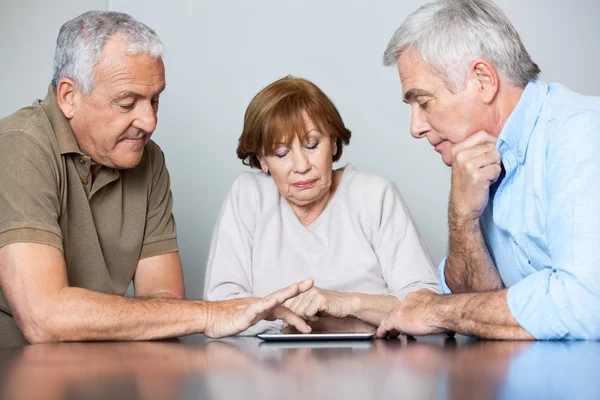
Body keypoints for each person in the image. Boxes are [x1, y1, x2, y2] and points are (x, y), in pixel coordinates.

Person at [0, 11, 314, 347]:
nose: (149, 122)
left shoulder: (147, 158)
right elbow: (44, 318)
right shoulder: (18, 145)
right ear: (68, 97)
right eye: (127, 103)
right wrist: (210, 314)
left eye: (154, 99)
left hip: (103, 368)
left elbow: (166, 305)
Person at [377, 0, 600, 340]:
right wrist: (462, 217)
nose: (415, 127)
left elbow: (586, 304)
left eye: (423, 103)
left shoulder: (582, 133)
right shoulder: (477, 161)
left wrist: (437, 310)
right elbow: (478, 308)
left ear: (483, 80)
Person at [204, 76, 438, 335]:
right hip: (271, 369)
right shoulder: (248, 196)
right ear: (262, 161)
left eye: (312, 145)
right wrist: (286, 314)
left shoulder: (374, 195)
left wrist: (348, 304)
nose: (302, 165)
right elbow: (220, 307)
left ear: (334, 142)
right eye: (281, 153)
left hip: (369, 368)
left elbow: (427, 306)